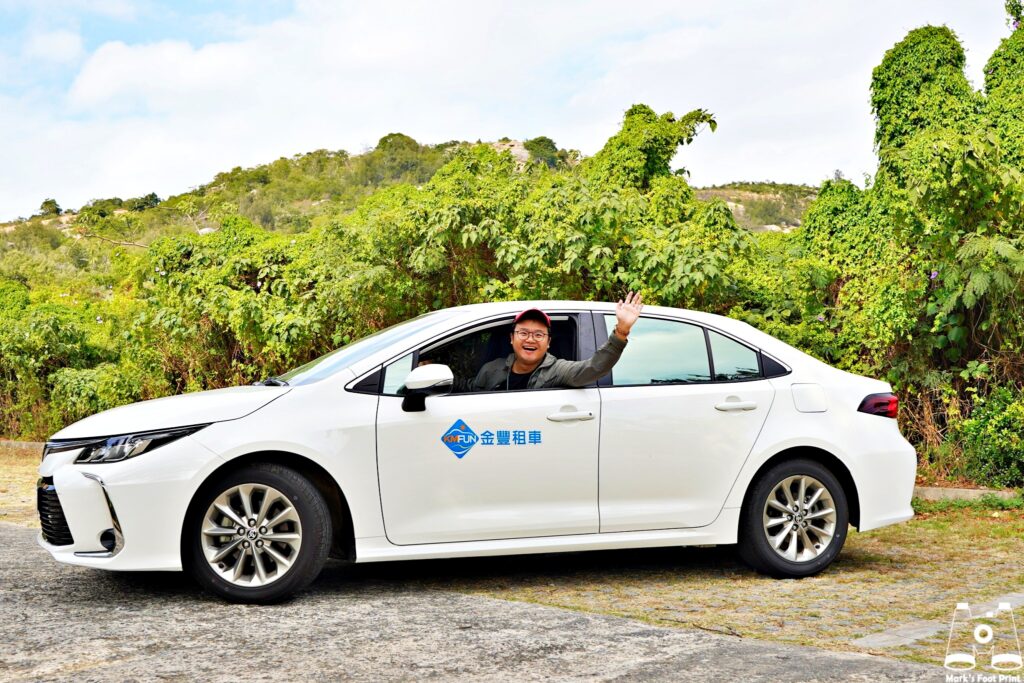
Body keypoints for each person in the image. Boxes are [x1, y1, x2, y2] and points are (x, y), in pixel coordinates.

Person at [469, 292, 643, 391]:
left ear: (549, 342)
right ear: (511, 338)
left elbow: (594, 367)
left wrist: (621, 331)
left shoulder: (557, 370)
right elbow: (469, 391)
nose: (530, 339)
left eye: (538, 335)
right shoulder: (491, 369)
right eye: (523, 333)